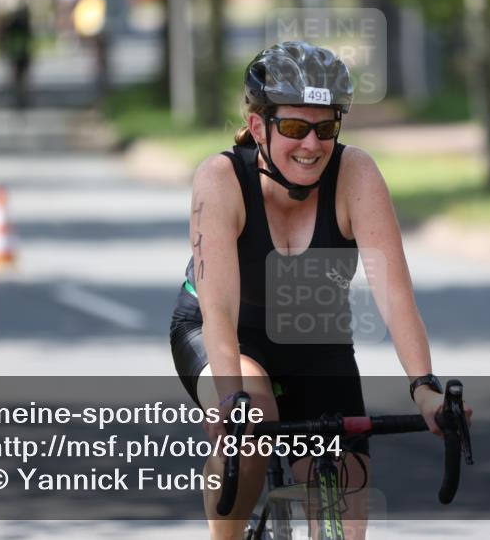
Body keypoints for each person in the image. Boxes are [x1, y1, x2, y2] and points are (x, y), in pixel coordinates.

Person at [169, 41, 466, 539]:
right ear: (259, 125)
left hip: (315, 341)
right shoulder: (220, 179)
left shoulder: (357, 175)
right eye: (293, 128)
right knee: (253, 420)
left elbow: (394, 294)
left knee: (346, 505)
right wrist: (229, 400)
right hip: (223, 338)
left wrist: (425, 390)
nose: (311, 144)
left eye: (325, 128)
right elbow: (218, 307)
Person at [0, 4, 33, 110]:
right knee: (20, 76)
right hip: (19, 53)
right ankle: (20, 97)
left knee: (19, 76)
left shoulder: (19, 24)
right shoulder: (18, 24)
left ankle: (20, 96)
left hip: (18, 53)